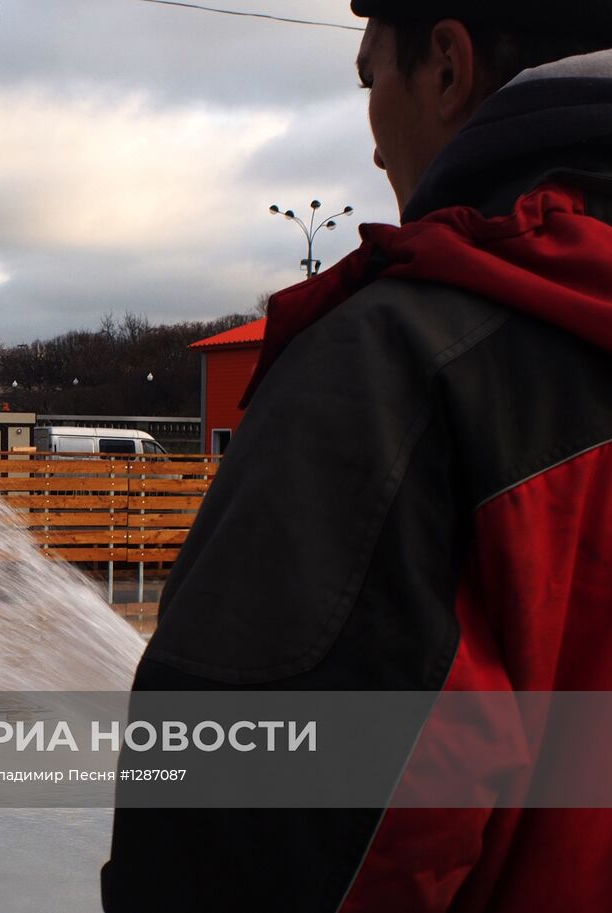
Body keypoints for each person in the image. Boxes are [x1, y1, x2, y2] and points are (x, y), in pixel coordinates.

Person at [102, 2, 612, 910]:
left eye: (371, 78)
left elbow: (249, 846)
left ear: (448, 69)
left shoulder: (395, 378)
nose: (374, 146)